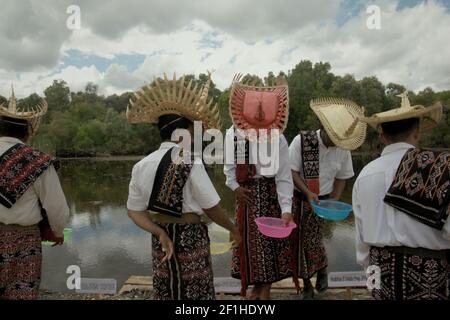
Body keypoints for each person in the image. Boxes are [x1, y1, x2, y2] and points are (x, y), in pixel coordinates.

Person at [126, 73, 240, 300]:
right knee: (195, 294)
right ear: (185, 132)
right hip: (190, 236)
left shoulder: (141, 166)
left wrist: (159, 232)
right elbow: (211, 207)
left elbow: (134, 211)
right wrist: (234, 229)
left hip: (161, 238)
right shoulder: (189, 159)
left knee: (166, 289)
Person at [354, 92, 450, 300]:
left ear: (381, 136)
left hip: (379, 272)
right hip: (429, 275)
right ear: (417, 132)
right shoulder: (439, 169)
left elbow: (362, 241)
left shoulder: (364, 175)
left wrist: (371, 279)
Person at [224, 74, 294, 300]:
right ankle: (257, 295)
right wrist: (235, 187)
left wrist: (286, 209)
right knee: (250, 256)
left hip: (270, 197)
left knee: (269, 258)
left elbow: (284, 176)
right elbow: (228, 170)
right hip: (246, 197)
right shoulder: (232, 135)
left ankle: (262, 296)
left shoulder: (279, 139)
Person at [289, 98, 366, 299]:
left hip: (322, 202)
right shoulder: (302, 141)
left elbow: (343, 177)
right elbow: (292, 172)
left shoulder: (342, 147)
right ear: (323, 126)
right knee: (298, 243)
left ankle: (321, 270)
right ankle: (307, 283)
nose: (336, 142)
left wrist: (333, 201)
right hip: (299, 198)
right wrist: (307, 192)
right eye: (333, 137)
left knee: (312, 240)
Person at [0, 86, 69, 300]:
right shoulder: (37, 160)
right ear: (28, 133)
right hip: (23, 242)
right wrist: (57, 231)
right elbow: (57, 208)